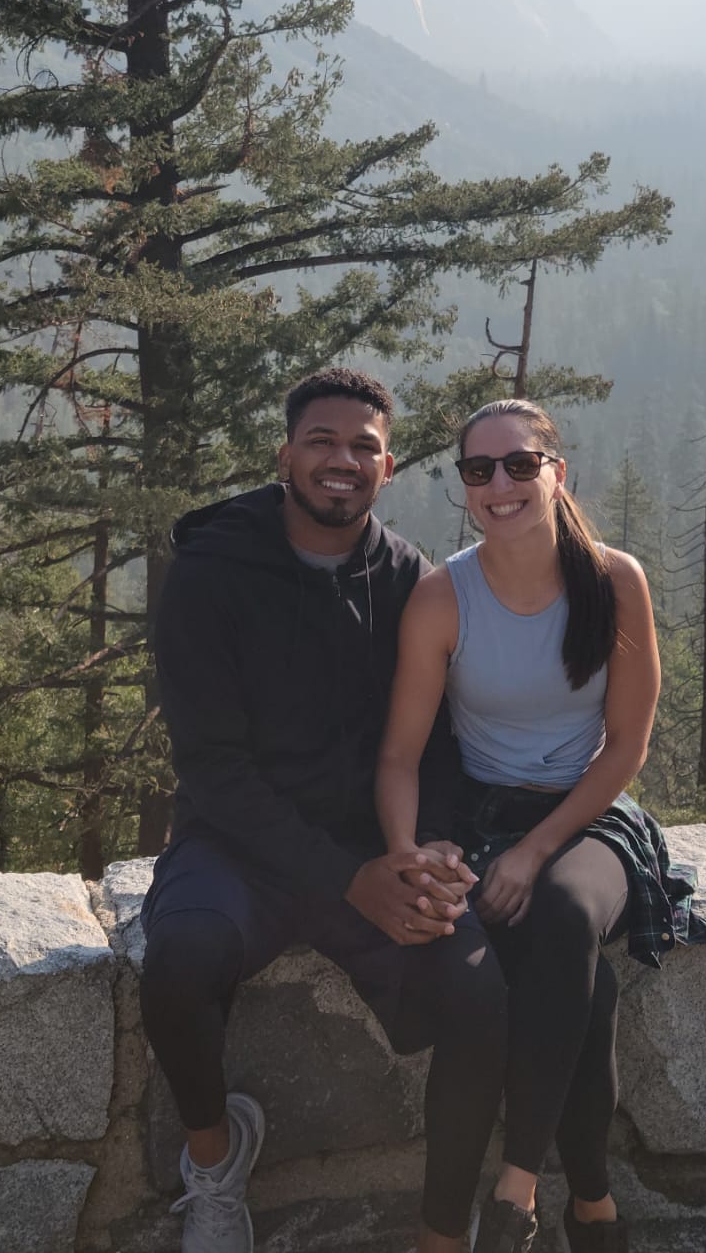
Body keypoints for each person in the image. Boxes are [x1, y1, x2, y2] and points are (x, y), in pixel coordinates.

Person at [140, 368, 508, 1253]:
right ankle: (216, 1165)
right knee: (180, 958)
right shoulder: (209, 572)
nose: (341, 461)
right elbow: (214, 770)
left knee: (479, 991)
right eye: (321, 442)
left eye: (363, 448)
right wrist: (349, 882)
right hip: (237, 847)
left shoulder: (410, 581)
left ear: (386, 468)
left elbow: (439, 743)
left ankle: (438, 1234)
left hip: (371, 840)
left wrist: (432, 851)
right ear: (285, 456)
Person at [379, 398, 688, 1253]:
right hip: (485, 819)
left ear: (559, 473)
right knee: (580, 987)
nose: (500, 484)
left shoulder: (614, 581)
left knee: (558, 910)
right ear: (464, 489)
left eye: (520, 464)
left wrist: (537, 848)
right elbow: (400, 756)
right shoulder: (445, 596)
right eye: (479, 470)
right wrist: (406, 854)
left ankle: (512, 1194)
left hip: (590, 819)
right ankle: (591, 1207)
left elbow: (626, 746)